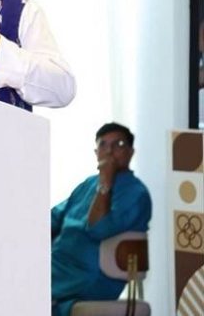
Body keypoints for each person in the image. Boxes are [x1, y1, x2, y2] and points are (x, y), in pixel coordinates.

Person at [51, 122, 152, 316]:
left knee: (22, 286)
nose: (109, 151)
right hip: (57, 266)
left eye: (118, 144)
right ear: (96, 152)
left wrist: (106, 181)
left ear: (131, 152)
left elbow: (97, 228)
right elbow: (55, 217)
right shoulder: (88, 183)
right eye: (103, 145)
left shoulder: (136, 193)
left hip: (88, 275)